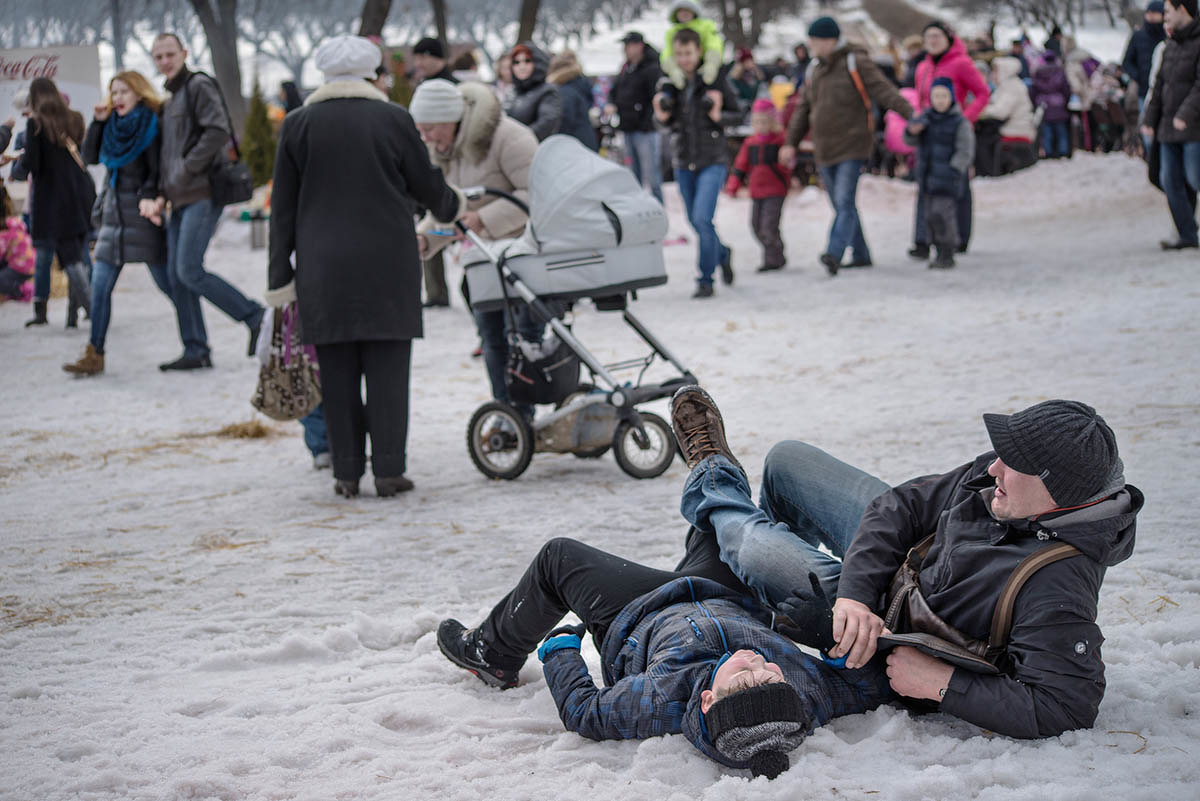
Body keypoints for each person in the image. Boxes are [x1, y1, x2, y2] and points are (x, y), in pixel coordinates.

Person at [670, 384, 1142, 740]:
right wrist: (856, 593)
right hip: (891, 578)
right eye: (1001, 454)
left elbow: (1066, 707)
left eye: (1011, 463)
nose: (993, 467)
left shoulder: (1058, 583)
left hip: (889, 631)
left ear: (1056, 493)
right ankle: (724, 560)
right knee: (788, 461)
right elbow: (904, 507)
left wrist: (943, 684)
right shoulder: (1013, 481)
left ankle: (713, 475)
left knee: (754, 548)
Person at [436, 530, 891, 779]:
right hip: (723, 596)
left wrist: (560, 650)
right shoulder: (808, 695)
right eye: (770, 675)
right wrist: (824, 636)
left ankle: (492, 652)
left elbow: (584, 713)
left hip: (634, 612)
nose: (757, 663)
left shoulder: (660, 700)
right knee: (720, 525)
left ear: (709, 700)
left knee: (558, 557)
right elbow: (870, 682)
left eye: (744, 677)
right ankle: (711, 468)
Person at [268, 35, 464, 498]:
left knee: (335, 373)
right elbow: (427, 185)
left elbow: (283, 211)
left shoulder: (297, 124)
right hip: (388, 265)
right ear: (371, 72)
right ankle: (390, 470)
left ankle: (347, 472)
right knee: (389, 371)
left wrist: (280, 279)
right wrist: (450, 203)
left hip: (322, 269)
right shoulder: (393, 118)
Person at [408, 80, 541, 417]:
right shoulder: (443, 151)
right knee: (491, 337)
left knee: (522, 337)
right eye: (420, 131)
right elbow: (448, 208)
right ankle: (507, 413)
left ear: (451, 118)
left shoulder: (509, 138)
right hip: (483, 260)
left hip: (526, 256)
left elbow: (539, 193)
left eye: (430, 129)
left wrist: (484, 218)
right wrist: (426, 238)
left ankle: (529, 411)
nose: (426, 139)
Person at [152, 32, 265, 371]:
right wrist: (164, 186)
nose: (164, 61)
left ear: (184, 53)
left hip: (202, 191)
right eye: (158, 57)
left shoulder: (198, 86)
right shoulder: (170, 99)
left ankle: (254, 315)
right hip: (178, 197)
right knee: (175, 275)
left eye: (170, 54)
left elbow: (217, 130)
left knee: (189, 269)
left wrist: (187, 168)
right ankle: (195, 348)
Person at [63, 71, 175, 376]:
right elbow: (90, 158)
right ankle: (94, 353)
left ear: (139, 93)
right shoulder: (110, 125)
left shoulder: (152, 124)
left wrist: (151, 197)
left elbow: (157, 170)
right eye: (114, 92)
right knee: (100, 288)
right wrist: (97, 122)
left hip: (142, 214)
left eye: (124, 91)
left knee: (170, 285)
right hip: (113, 217)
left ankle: (196, 342)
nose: (118, 98)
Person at [780, 17, 912, 276]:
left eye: (815, 40)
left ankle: (834, 252)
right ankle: (861, 254)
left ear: (830, 40)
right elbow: (803, 109)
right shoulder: (814, 69)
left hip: (853, 142)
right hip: (824, 146)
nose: (811, 45)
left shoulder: (856, 61)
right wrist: (790, 143)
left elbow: (884, 90)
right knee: (843, 204)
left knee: (843, 199)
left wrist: (912, 115)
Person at [653, 28, 740, 298]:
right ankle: (722, 253)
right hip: (683, 161)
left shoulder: (715, 80)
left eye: (689, 53)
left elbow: (738, 114)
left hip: (712, 159)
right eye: (679, 54)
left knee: (703, 218)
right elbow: (661, 123)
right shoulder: (670, 84)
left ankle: (705, 278)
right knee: (696, 222)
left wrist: (717, 114)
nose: (684, 59)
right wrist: (660, 116)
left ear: (699, 51)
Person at [17, 77, 94, 330]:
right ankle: (73, 317)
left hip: (51, 198)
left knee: (68, 258)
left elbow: (33, 164)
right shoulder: (75, 118)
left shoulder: (36, 123)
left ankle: (94, 310)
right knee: (76, 251)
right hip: (78, 193)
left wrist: (16, 167)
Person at [910, 21, 989, 260]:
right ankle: (923, 240)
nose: (932, 41)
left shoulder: (961, 63)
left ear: (948, 38)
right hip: (929, 133)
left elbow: (983, 93)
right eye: (928, 37)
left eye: (937, 36)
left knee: (957, 184)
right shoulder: (922, 67)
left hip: (955, 132)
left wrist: (965, 120)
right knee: (925, 183)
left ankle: (960, 238)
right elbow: (919, 99)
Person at [1142, 0, 1200, 250]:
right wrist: (1149, 120)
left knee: (1194, 177)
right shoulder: (1170, 45)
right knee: (1169, 180)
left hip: (1193, 128)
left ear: (1182, 10)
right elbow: (1160, 86)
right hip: (1167, 127)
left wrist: (1185, 113)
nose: (1164, 16)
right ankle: (1187, 233)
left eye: (1168, 11)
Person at [904, 77, 976, 269]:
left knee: (944, 215)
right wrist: (912, 132)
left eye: (944, 96)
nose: (940, 100)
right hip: (928, 177)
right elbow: (910, 140)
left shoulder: (959, 122)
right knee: (930, 216)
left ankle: (947, 250)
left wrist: (955, 169)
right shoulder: (926, 119)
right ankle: (937, 248)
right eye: (936, 96)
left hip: (948, 178)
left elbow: (965, 149)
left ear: (951, 97)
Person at [724, 99, 790, 272]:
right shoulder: (750, 143)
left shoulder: (780, 140)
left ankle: (773, 259)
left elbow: (788, 164)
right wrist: (733, 185)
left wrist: (788, 166)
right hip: (757, 191)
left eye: (765, 122)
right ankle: (776, 251)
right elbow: (740, 165)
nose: (761, 125)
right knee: (756, 226)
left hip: (775, 191)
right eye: (757, 122)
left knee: (768, 226)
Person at [608, 32, 664, 204]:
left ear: (639, 46)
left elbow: (655, 98)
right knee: (634, 175)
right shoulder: (626, 67)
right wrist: (612, 104)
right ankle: (639, 209)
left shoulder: (652, 67)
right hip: (627, 127)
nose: (625, 49)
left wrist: (645, 119)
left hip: (645, 130)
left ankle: (659, 208)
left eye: (629, 45)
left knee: (652, 175)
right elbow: (614, 91)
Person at [977, 56, 1038, 176]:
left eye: (995, 71)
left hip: (1016, 128)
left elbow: (1001, 111)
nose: (992, 75)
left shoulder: (1012, 86)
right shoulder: (1006, 85)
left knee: (983, 139)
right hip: (1010, 125)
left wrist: (980, 111)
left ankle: (988, 172)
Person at [1125, 2, 1167, 150]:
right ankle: (1151, 159)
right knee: (1147, 128)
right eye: (1148, 13)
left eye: (1154, 13)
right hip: (1145, 90)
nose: (1150, 16)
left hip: (1166, 90)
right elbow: (1127, 61)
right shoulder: (1138, 36)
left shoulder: (1167, 36)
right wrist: (1138, 76)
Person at [661, 1, 725, 90]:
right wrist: (672, 69)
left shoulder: (706, 26)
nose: (684, 13)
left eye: (688, 9)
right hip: (681, 71)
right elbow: (667, 52)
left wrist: (712, 63)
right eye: (681, 10)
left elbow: (714, 44)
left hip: (702, 68)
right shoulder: (671, 32)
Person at [506, 42, 561, 141]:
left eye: (527, 61)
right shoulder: (512, 92)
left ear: (537, 63)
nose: (521, 66)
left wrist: (519, 139)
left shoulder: (547, 91)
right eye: (516, 62)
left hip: (535, 149)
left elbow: (547, 122)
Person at [547, 50, 598, 151]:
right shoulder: (579, 83)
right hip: (584, 140)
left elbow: (564, 120)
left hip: (575, 144)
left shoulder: (565, 90)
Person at [1032, 51, 1073, 159]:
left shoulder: (1038, 72)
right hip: (1058, 102)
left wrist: (1036, 102)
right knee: (1061, 131)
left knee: (1046, 132)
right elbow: (1066, 88)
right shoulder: (1060, 71)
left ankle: (1048, 151)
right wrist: (1066, 101)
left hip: (1043, 104)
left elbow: (1034, 89)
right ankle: (1063, 151)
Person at [0, 184, 36, 304]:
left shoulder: (6, 230)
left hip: (21, 265)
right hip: (29, 262)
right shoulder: (16, 223)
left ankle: (22, 290)